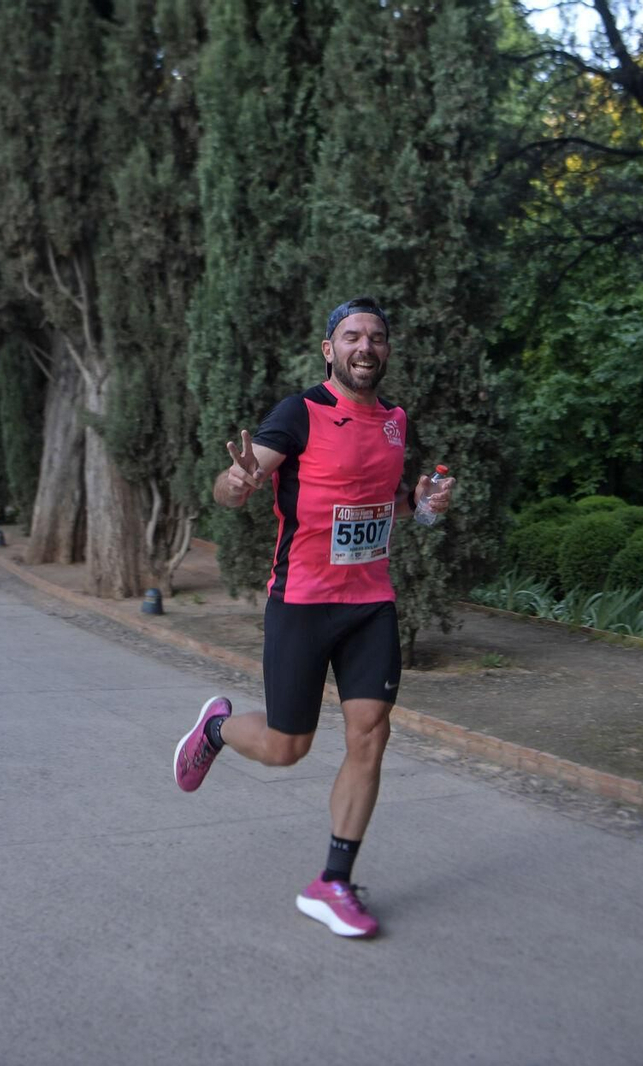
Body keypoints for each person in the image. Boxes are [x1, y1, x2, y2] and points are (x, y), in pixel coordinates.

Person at [174, 296, 454, 939]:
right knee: (286, 746)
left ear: (386, 351)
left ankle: (333, 881)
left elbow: (388, 503)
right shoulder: (299, 413)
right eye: (352, 336)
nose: (365, 347)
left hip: (370, 604)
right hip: (302, 601)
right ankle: (216, 730)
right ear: (330, 350)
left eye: (377, 337)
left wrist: (423, 502)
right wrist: (236, 484)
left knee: (370, 733)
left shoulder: (394, 420)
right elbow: (231, 484)